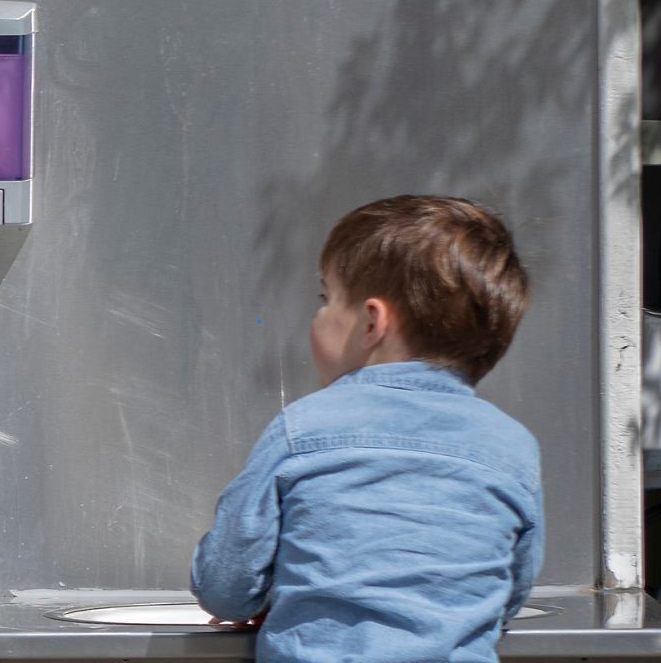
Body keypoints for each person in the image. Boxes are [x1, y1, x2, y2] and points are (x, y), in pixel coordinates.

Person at [192, 195, 545, 662]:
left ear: (372, 322)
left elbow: (225, 586)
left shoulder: (303, 428)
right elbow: (509, 593)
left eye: (325, 299)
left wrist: (284, 595)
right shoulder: (512, 446)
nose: (316, 316)